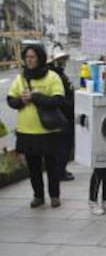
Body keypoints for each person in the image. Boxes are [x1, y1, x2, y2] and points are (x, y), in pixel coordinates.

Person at [7, 42, 65, 208]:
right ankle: (38, 195)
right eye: (27, 57)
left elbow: (58, 100)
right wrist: (21, 101)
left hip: (48, 130)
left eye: (32, 57)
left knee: (52, 165)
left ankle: (54, 195)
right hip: (26, 130)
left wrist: (36, 97)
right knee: (33, 167)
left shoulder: (52, 77)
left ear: (40, 58)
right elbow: (11, 100)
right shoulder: (21, 78)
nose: (29, 60)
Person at [48, 44, 75, 181]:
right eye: (60, 59)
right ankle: (60, 171)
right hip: (62, 114)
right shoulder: (53, 75)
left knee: (65, 145)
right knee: (64, 145)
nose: (63, 62)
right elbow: (59, 97)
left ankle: (61, 169)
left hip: (65, 113)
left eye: (64, 59)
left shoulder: (59, 73)